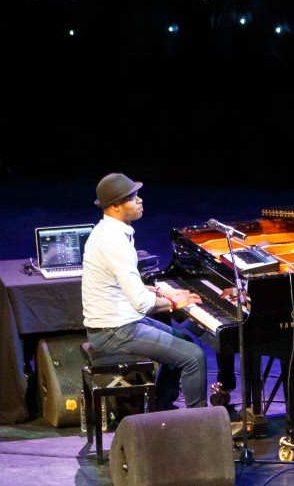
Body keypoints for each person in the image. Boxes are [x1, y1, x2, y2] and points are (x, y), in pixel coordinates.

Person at [80, 172, 212, 410]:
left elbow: (126, 286)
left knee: (184, 340)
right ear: (115, 207)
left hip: (120, 322)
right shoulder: (114, 241)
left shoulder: (110, 232)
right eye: (132, 198)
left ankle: (160, 409)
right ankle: (199, 426)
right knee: (193, 357)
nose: (140, 200)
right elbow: (142, 304)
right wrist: (173, 304)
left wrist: (164, 293)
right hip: (113, 331)